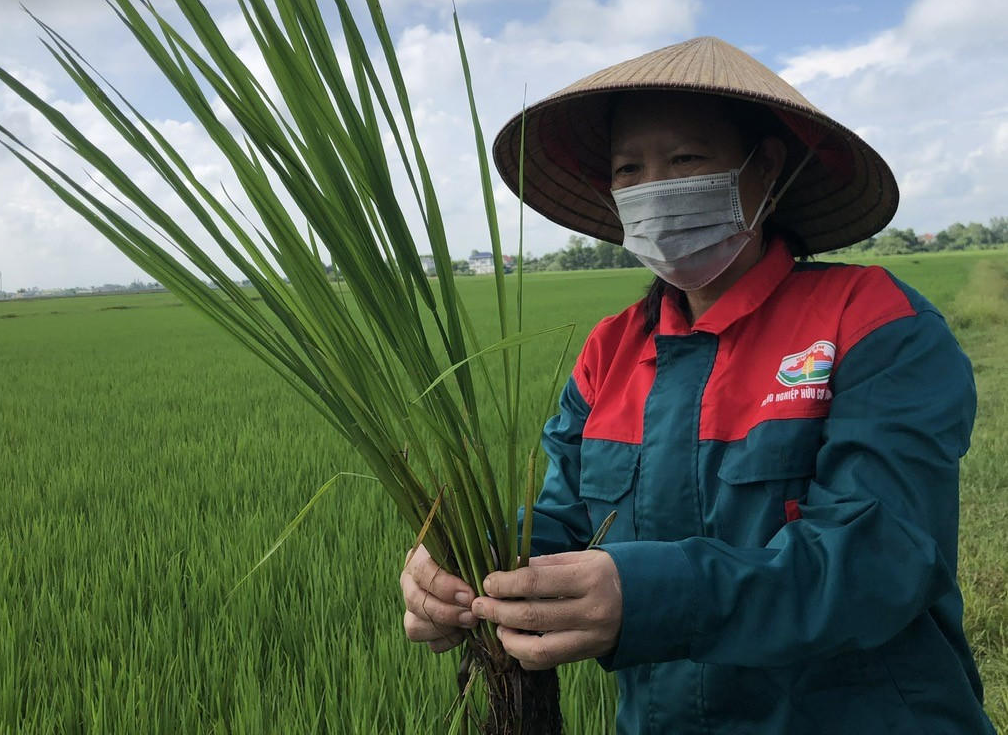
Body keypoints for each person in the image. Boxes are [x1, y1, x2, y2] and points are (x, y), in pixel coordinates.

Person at [400, 36, 996, 733]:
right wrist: (469, 561)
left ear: (764, 168)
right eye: (629, 169)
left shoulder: (871, 322)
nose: (654, 188)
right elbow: (567, 521)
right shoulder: (611, 350)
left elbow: (879, 558)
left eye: (684, 160)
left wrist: (649, 597)